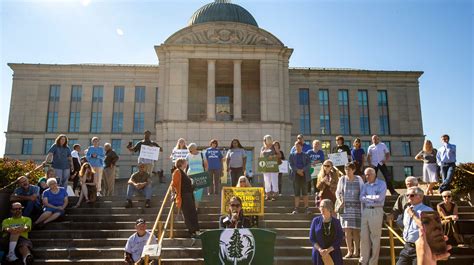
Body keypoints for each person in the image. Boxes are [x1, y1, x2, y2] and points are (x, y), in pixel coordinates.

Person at [397, 187, 433, 265]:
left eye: (412, 195)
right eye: (407, 195)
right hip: (407, 246)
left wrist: (413, 215)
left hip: (420, 248)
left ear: (420, 197)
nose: (409, 197)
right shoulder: (407, 210)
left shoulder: (427, 210)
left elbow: (424, 227)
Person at [335, 162, 364, 258]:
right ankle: (349, 251)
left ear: (354, 170)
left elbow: (363, 191)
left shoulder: (359, 179)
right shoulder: (342, 179)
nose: (347, 171)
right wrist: (340, 201)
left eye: (349, 169)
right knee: (347, 231)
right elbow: (338, 192)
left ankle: (356, 251)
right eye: (346, 169)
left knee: (356, 231)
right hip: (346, 208)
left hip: (356, 208)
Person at [359, 167, 386, 265]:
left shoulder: (381, 184)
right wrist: (372, 198)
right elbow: (361, 197)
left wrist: (368, 198)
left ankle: (373, 262)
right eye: (366, 174)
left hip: (376, 211)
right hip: (366, 211)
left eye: (369, 174)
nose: (367, 176)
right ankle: (363, 260)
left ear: (374, 174)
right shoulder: (365, 185)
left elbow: (380, 198)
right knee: (364, 237)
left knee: (375, 237)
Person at [171, 158, 200, 238]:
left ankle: (196, 230)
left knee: (192, 213)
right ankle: (192, 231)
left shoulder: (184, 172)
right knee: (188, 214)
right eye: (185, 162)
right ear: (181, 163)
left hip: (189, 195)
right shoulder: (177, 171)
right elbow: (174, 184)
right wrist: (173, 194)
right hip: (184, 195)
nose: (187, 163)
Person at [309, 199, 344, 265]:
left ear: (329, 208)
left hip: (334, 254)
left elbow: (340, 238)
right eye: (320, 206)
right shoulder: (315, 221)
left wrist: (328, 250)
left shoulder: (336, 222)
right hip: (319, 254)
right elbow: (312, 238)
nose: (321, 208)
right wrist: (320, 250)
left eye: (323, 206)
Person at [289, 141, 311, 214]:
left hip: (304, 175)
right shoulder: (292, 155)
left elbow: (308, 164)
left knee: (305, 192)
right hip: (295, 175)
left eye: (298, 146)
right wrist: (297, 171)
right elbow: (291, 165)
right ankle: (296, 208)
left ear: (302, 146)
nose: (297, 147)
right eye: (296, 146)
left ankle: (307, 208)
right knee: (296, 192)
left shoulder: (306, 155)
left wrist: (302, 170)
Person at [186, 143, 208, 209]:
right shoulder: (188, 155)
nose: (190, 151)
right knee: (191, 191)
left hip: (200, 174)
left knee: (198, 192)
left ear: (195, 148)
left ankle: (196, 208)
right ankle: (192, 208)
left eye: (191, 149)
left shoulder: (202, 154)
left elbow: (206, 164)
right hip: (190, 175)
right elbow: (185, 166)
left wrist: (206, 173)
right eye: (189, 150)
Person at [260, 135, 281, 200]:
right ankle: (268, 195)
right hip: (266, 166)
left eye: (265, 139)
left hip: (273, 165)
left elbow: (279, 155)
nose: (264, 141)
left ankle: (275, 195)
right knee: (267, 181)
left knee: (274, 180)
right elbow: (260, 157)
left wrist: (273, 156)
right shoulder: (263, 148)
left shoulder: (274, 146)